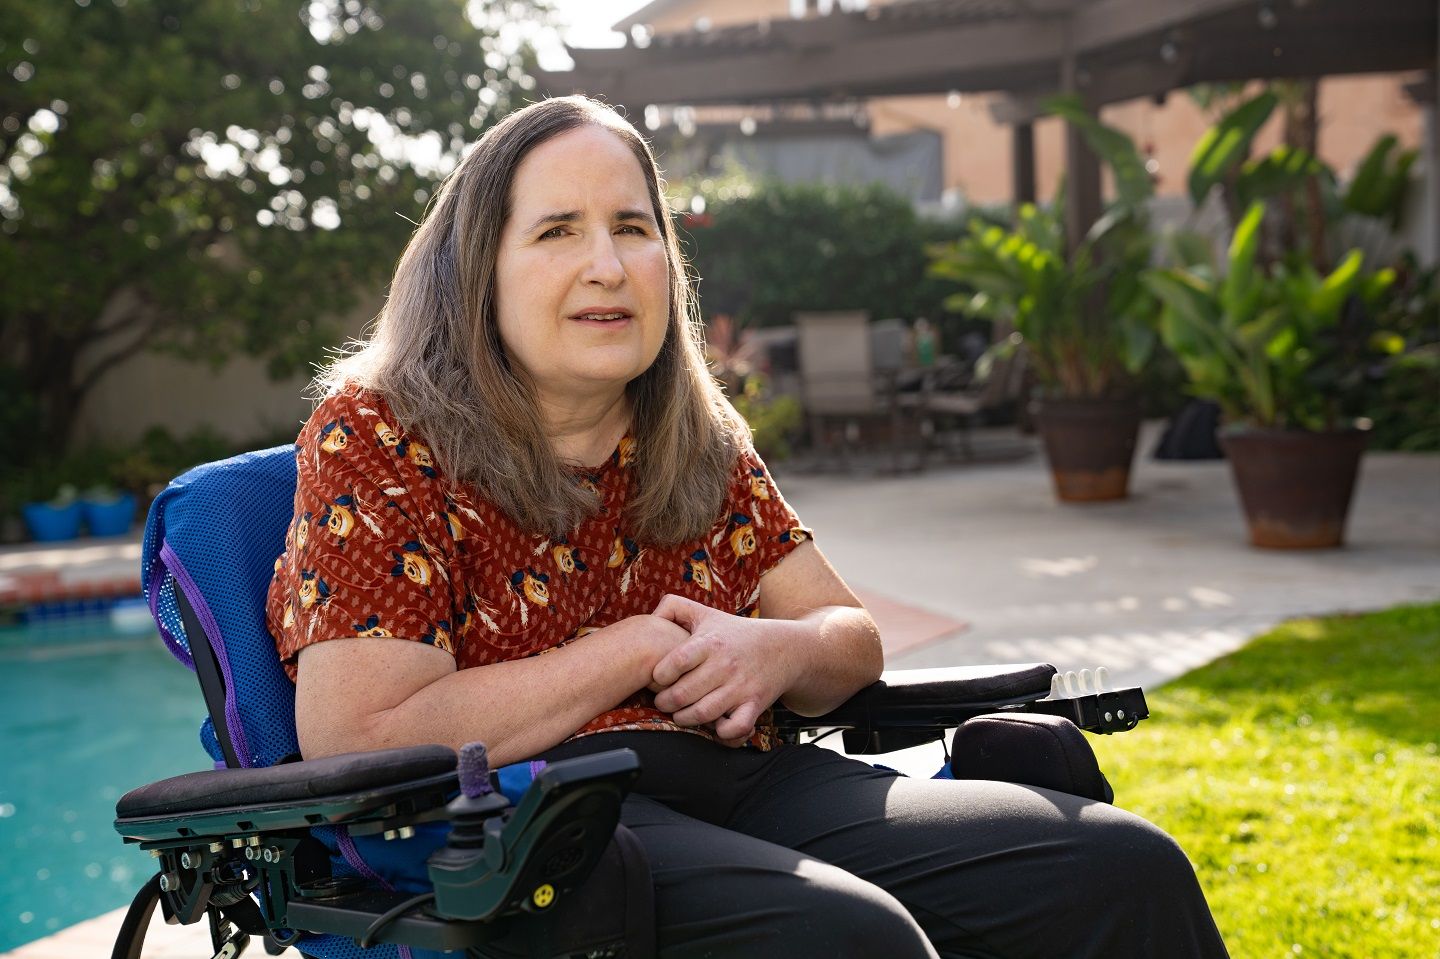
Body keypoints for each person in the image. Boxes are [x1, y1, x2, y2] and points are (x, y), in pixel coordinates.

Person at [265, 95, 1228, 958]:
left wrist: (772, 653)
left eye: (633, 228)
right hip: (544, 823)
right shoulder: (381, 434)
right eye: (558, 230)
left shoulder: (689, 431)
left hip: (746, 780)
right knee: (851, 937)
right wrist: (637, 648)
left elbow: (849, 638)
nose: (607, 265)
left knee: (1121, 864)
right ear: (479, 272)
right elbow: (361, 730)